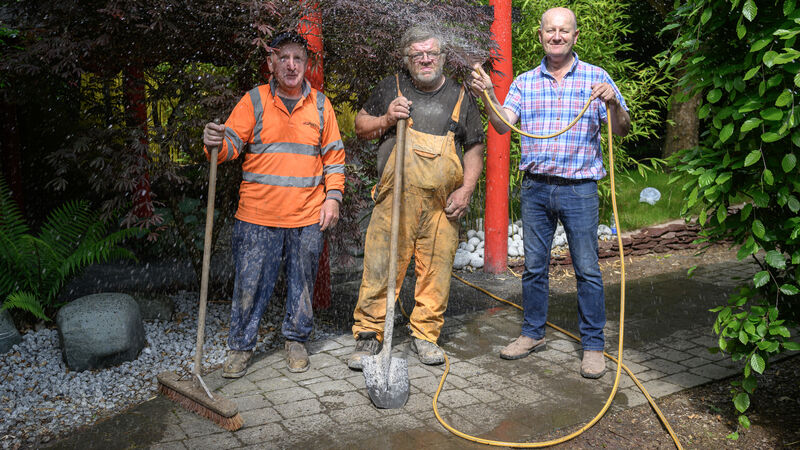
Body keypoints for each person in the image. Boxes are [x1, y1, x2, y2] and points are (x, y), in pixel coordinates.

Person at [469, 7, 631, 379]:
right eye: (550, 30)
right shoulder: (525, 82)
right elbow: (502, 125)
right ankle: (532, 334)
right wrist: (490, 94)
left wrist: (613, 102)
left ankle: (593, 345)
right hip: (536, 189)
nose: (556, 36)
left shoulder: (597, 77)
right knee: (534, 267)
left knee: (587, 270)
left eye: (564, 31)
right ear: (540, 36)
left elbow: (621, 129)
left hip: (580, 190)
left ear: (575, 36)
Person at [202, 31, 346, 377]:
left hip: (307, 215)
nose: (291, 65)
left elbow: (334, 159)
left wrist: (333, 198)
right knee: (249, 285)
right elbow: (228, 148)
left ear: (307, 65)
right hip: (257, 216)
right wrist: (213, 144)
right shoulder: (254, 100)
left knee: (302, 285)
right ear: (271, 63)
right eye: (284, 58)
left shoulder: (321, 106)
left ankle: (296, 340)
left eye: (298, 58)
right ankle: (241, 346)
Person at [347, 25, 485, 369]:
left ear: (442, 57)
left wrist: (466, 189)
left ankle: (425, 335)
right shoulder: (391, 88)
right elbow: (360, 127)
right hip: (394, 201)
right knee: (380, 267)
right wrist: (386, 118)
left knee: (436, 273)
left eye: (431, 53)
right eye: (417, 54)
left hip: (442, 206)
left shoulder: (461, 96)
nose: (425, 59)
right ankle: (369, 334)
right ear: (406, 59)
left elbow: (474, 148)